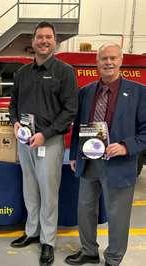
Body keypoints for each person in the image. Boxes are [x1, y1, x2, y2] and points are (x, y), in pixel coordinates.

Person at [65, 43, 146, 266]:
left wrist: (126, 146)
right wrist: (74, 154)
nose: (108, 62)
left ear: (121, 61)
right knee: (85, 208)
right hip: (89, 160)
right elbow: (79, 127)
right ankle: (89, 250)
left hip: (119, 163)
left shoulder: (139, 92)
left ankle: (113, 258)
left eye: (112, 58)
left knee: (118, 216)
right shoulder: (86, 92)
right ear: (97, 62)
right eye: (103, 59)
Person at [9, 21, 78, 265]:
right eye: (40, 37)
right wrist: (15, 122)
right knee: (30, 188)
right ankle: (32, 232)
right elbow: (13, 104)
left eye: (48, 37)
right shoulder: (22, 74)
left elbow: (70, 111)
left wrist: (45, 135)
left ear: (55, 41)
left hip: (48, 142)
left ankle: (48, 240)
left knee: (49, 193)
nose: (44, 41)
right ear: (33, 41)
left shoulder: (65, 72)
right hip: (25, 141)